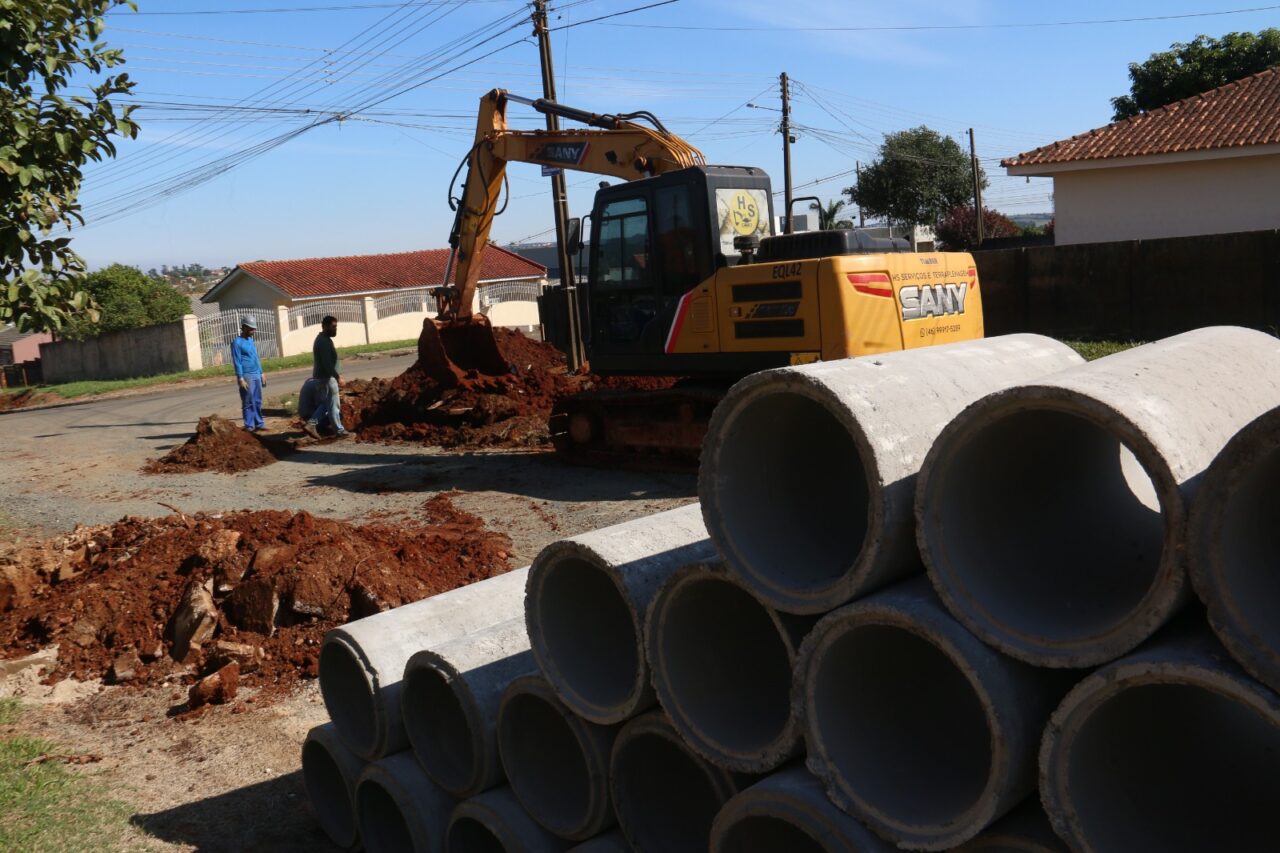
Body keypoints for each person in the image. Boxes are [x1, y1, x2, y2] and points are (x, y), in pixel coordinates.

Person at [304, 315, 346, 438]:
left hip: (321, 377)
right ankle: (339, 431)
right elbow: (327, 364)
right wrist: (337, 377)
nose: (335, 329)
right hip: (326, 378)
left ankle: (311, 425)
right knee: (334, 405)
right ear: (325, 326)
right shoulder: (323, 342)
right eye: (333, 327)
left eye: (336, 327)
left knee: (326, 405)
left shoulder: (323, 339)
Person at [231, 316, 266, 432]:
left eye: (254, 329)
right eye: (251, 329)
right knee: (248, 401)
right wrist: (240, 378)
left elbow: (255, 357)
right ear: (244, 327)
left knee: (257, 400)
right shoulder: (236, 342)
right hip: (246, 375)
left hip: (256, 374)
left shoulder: (251, 340)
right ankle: (249, 425)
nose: (253, 331)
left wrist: (261, 373)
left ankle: (259, 423)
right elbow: (237, 361)